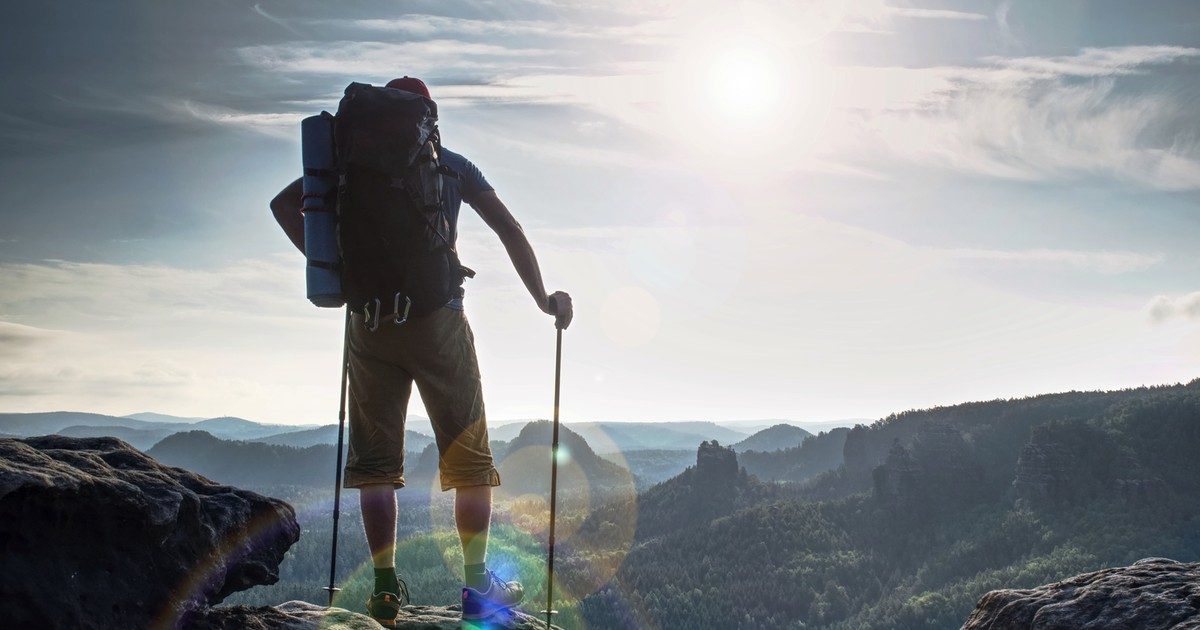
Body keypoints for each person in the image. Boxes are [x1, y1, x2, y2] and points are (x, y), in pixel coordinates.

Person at [269, 76, 573, 626]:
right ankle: (478, 588)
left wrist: (334, 272)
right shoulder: (451, 165)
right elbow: (509, 228)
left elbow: (285, 205)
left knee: (376, 467)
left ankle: (384, 590)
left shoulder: (344, 167)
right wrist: (543, 299)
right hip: (437, 322)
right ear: (428, 117)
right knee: (470, 463)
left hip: (368, 324)